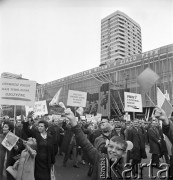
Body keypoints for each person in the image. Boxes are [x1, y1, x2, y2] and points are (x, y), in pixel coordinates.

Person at [64, 108, 133, 180]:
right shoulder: (100, 158)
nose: (113, 150)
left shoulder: (126, 173)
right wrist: (73, 121)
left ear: (124, 153)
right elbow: (85, 143)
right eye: (111, 146)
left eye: (118, 149)